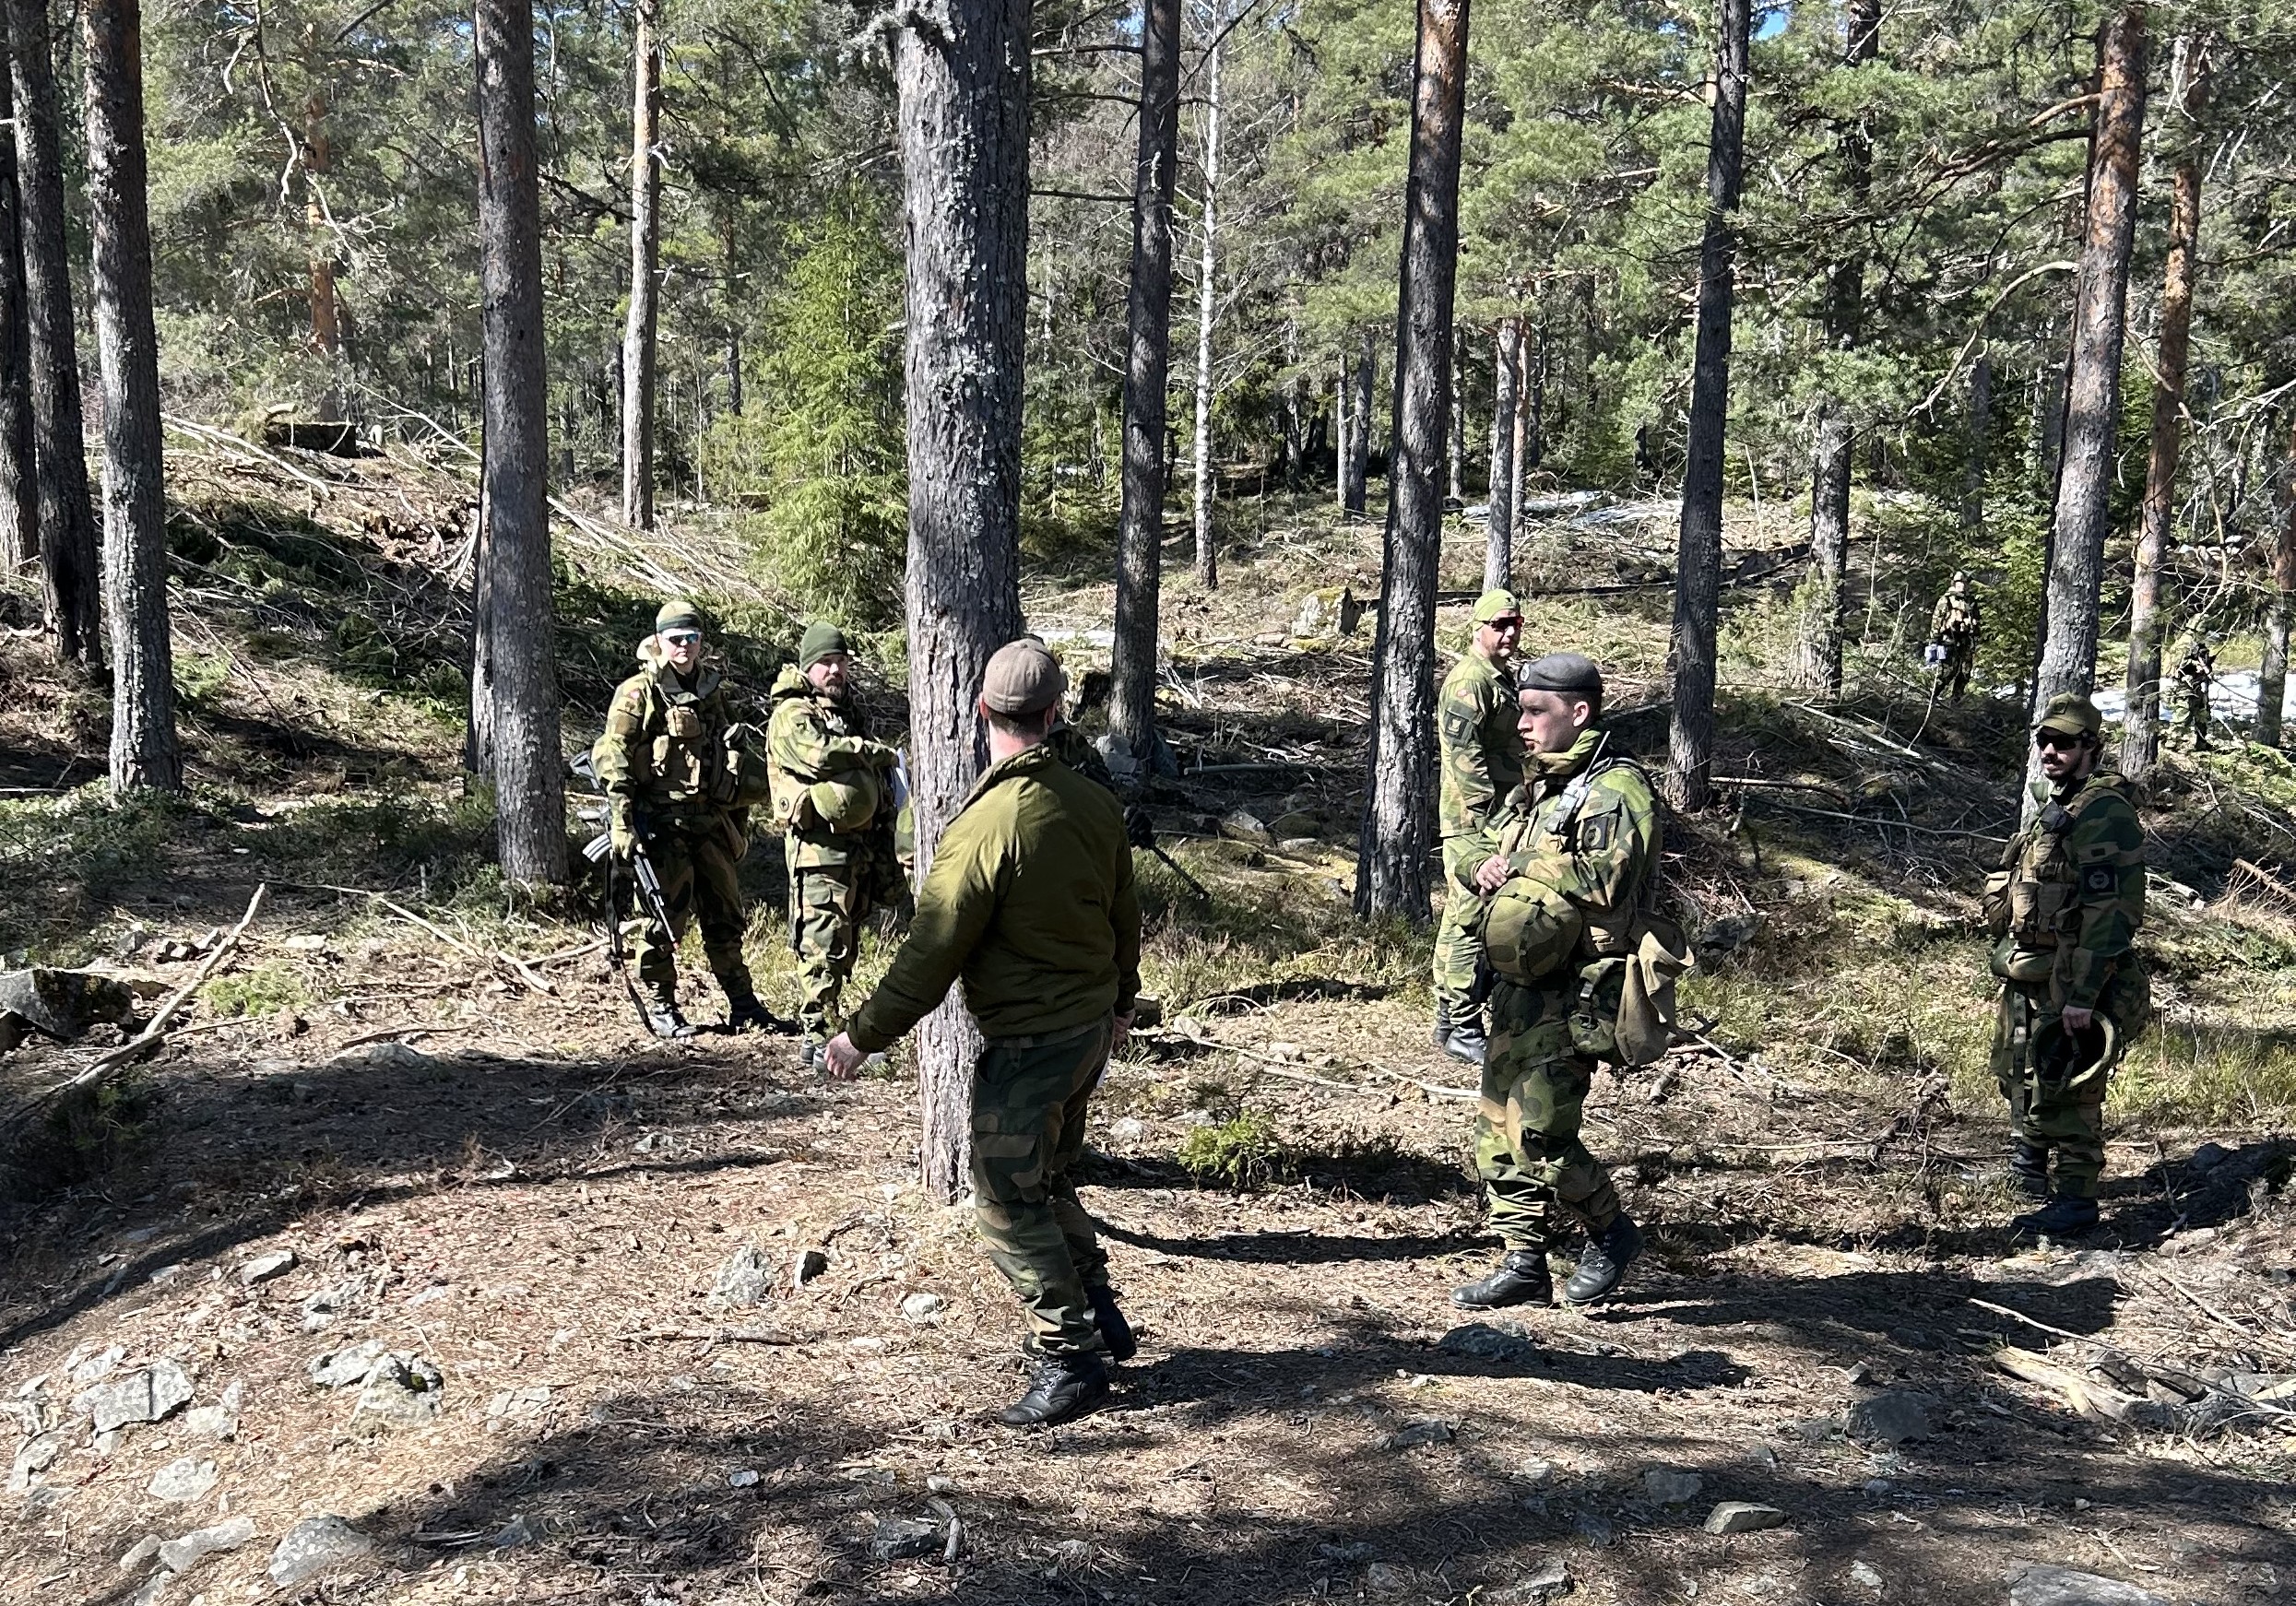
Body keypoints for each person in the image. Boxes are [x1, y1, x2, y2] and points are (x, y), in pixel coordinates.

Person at [822, 640, 1142, 1428]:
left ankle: (1070, 1358)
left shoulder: (987, 825)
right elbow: (1124, 912)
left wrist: (861, 1036)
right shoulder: (1093, 802)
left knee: (1003, 1197)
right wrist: (1124, 996)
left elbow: (933, 948)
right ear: (1057, 712)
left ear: (981, 714)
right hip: (1089, 1030)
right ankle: (1097, 1306)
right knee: (1050, 1175)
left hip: (1032, 1041)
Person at [1450, 653, 1652, 1311]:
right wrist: (1485, 868)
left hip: (1578, 990)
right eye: (1521, 710)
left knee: (1540, 1131)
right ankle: (1523, 1260)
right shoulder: (1537, 785)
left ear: (1580, 712)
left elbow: (1604, 880)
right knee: (1495, 1124)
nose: (1524, 723)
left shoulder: (1615, 790)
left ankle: (1611, 1230)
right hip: (1517, 983)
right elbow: (1483, 843)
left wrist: (1522, 864)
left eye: (1538, 711)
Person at [1982, 692, 2148, 1237]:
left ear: (2090, 747)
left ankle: (2076, 1201)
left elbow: (2112, 910)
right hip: (2031, 972)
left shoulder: (2103, 811)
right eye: (2044, 741)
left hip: (2072, 978)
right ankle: (2029, 1169)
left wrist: (2082, 994)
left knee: (2069, 1086)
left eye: (2064, 742)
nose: (2051, 750)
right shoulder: (2062, 803)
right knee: (2022, 1072)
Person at [593, 600, 780, 1040]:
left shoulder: (712, 691)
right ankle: (662, 1006)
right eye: (675, 639)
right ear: (659, 641)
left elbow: (729, 752)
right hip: (661, 823)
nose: (684, 646)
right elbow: (612, 756)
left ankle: (744, 1005)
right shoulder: (638, 692)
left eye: (691, 638)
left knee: (726, 917)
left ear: (701, 642)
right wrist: (623, 820)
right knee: (662, 921)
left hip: (709, 821)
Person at [766, 622, 904, 1070]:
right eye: (827, 662)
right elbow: (820, 753)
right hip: (819, 851)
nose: (836, 670)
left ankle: (833, 1026)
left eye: (841, 662)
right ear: (808, 666)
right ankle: (817, 1033)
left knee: (846, 937)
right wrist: (874, 751)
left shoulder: (841, 712)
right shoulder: (793, 714)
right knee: (822, 938)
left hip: (858, 846)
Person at [1432, 588, 1528, 1065]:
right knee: (1471, 922)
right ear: (1478, 628)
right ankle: (1462, 1024)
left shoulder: (1498, 678)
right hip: (1475, 823)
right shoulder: (1469, 682)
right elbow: (1466, 763)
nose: (1508, 633)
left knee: (1466, 918)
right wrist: (1495, 824)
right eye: (1498, 625)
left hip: (1496, 817)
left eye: (1515, 624)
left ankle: (1451, 1021)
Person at [1930, 572, 1982, 701]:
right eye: (1959, 583)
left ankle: (1956, 702)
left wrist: (1973, 627)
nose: (1962, 586)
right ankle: (1931, 697)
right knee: (1947, 672)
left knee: (1964, 672)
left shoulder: (1971, 601)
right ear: (1954, 583)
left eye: (1964, 583)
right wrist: (1934, 642)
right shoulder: (1945, 600)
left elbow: (1977, 621)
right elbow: (1936, 622)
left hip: (1965, 641)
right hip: (1948, 641)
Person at [2176, 640, 2215, 751]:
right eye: (2201, 653)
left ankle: (2201, 743)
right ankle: (2173, 742)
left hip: (2200, 691)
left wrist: (2204, 666)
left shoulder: (2204, 659)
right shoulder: (2184, 657)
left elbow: (2208, 671)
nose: (2204, 655)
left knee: (2203, 716)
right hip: (2185, 692)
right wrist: (2194, 664)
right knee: (2182, 718)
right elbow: (2179, 669)